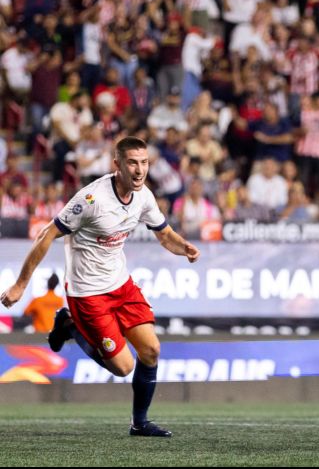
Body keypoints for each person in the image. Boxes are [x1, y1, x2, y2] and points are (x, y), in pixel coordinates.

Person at [1, 137, 201, 437]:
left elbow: (165, 234)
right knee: (123, 367)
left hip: (120, 284)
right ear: (117, 164)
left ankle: (140, 423)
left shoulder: (144, 196)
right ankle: (70, 326)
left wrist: (183, 247)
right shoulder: (91, 199)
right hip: (87, 292)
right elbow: (46, 235)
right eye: (132, 162)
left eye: (144, 162)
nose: (139, 170)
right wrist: (19, 285)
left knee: (151, 350)